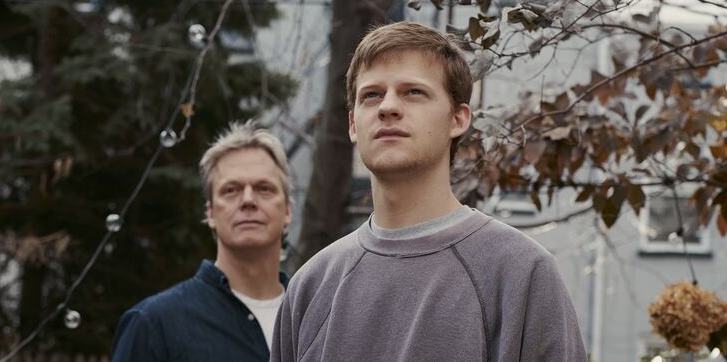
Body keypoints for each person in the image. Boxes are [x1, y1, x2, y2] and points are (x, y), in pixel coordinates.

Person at [272, 22, 587, 362]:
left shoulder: (520, 273)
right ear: (352, 124)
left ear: (458, 119)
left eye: (413, 92)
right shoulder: (310, 286)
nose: (387, 107)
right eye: (372, 95)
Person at [112, 122, 292, 361]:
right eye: (231, 190)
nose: (248, 200)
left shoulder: (320, 315)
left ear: (288, 210)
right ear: (210, 212)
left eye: (264, 188)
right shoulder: (153, 325)